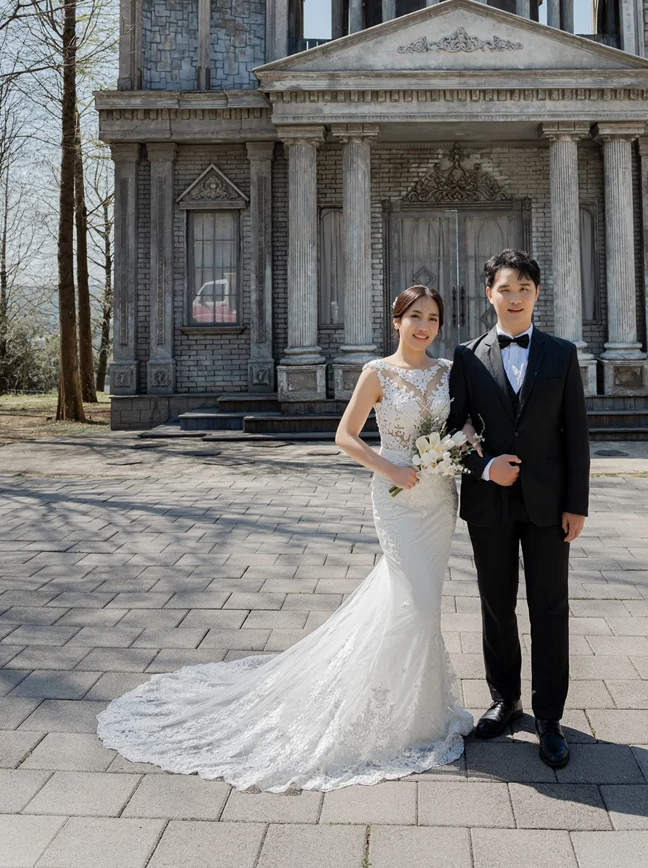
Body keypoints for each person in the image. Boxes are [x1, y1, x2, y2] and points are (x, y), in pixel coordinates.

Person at [97, 285, 472, 791]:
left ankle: (417, 710)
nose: (424, 326)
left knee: (415, 604)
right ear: (396, 321)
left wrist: (457, 448)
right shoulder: (377, 373)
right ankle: (384, 713)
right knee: (417, 602)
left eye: (432, 318)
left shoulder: (448, 372)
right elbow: (345, 436)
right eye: (415, 317)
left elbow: (464, 426)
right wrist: (392, 470)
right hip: (397, 498)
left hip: (439, 500)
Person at [447, 248, 590, 769]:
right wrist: (486, 468)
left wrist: (577, 504)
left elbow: (576, 434)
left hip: (550, 504)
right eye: (505, 289)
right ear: (490, 294)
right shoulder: (466, 357)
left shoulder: (561, 354)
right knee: (496, 603)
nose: (514, 298)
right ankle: (504, 700)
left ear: (536, 294)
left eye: (524, 289)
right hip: (489, 501)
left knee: (550, 607)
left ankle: (550, 717)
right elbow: (452, 429)